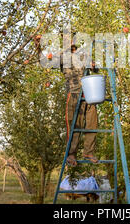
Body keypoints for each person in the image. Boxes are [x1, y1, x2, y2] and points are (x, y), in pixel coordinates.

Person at [35, 36, 99, 166]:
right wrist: (38, 47)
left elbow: (95, 69)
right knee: (74, 124)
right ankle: (71, 154)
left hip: (89, 93)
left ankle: (88, 152)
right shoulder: (61, 57)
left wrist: (93, 66)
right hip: (74, 93)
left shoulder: (84, 54)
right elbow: (44, 62)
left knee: (92, 123)